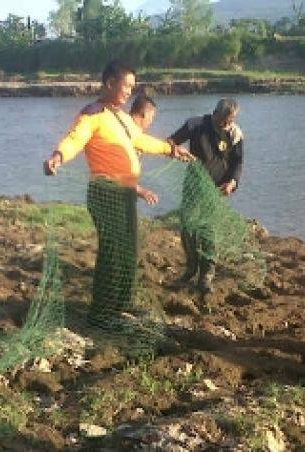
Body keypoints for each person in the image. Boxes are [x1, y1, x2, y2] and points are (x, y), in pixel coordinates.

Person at [44, 60, 192, 325]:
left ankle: (122, 303)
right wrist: (58, 156)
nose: (129, 93)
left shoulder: (121, 117)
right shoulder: (93, 114)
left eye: (132, 88)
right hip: (105, 193)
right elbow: (75, 138)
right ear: (110, 83)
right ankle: (102, 312)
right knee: (112, 252)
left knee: (129, 250)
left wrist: (172, 149)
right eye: (126, 87)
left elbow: (141, 141)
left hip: (124, 194)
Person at [167, 98, 244, 293]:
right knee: (187, 227)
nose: (227, 124)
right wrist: (176, 149)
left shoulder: (235, 134)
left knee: (208, 230)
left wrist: (232, 183)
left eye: (231, 120)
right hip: (194, 185)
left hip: (217, 189)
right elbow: (171, 141)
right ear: (215, 113)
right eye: (224, 120)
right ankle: (191, 268)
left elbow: (238, 162)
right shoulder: (196, 124)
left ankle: (206, 276)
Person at [130, 93, 159, 206]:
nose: (151, 121)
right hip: (112, 197)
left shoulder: (133, 132)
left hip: (124, 193)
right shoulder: (127, 135)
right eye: (152, 117)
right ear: (144, 114)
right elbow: (117, 173)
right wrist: (141, 191)